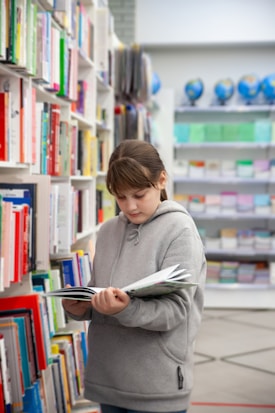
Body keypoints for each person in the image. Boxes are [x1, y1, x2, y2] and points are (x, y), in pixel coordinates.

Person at [62, 139, 206, 413]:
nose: (130, 206)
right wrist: (81, 308)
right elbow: (101, 296)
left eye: (139, 195)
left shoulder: (180, 231)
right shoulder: (107, 232)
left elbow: (175, 311)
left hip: (157, 384)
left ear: (161, 180)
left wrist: (126, 308)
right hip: (109, 379)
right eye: (121, 196)